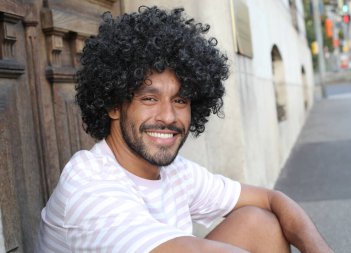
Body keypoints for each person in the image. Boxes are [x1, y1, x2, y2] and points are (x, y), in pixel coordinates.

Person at [36, 6, 333, 253]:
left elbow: (272, 200)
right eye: (149, 98)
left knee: (261, 222)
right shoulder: (89, 185)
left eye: (180, 100)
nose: (168, 116)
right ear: (114, 105)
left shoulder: (176, 173)